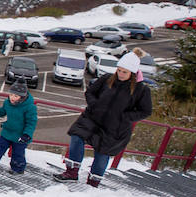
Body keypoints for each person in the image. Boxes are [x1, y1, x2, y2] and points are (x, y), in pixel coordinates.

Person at [54, 49, 153, 187]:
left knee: (102, 153)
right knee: (76, 137)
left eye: (124, 72)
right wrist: (94, 104)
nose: (120, 74)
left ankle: (93, 182)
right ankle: (71, 172)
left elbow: (146, 111)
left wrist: (125, 117)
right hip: (92, 119)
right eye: (119, 70)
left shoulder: (141, 90)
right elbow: (90, 92)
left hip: (115, 128)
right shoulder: (107, 78)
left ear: (133, 73)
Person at [0, 79, 37, 174]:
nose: (12, 98)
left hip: (20, 136)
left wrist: (27, 134)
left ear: (22, 97)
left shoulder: (29, 107)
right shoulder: (7, 103)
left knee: (18, 153)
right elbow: (1, 112)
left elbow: (31, 122)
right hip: (7, 132)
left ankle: (18, 169)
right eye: (11, 94)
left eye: (16, 96)